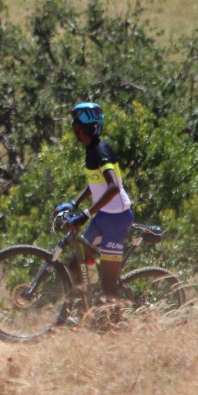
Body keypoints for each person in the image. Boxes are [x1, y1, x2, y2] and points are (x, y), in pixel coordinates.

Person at [58, 101, 134, 303]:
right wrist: (74, 204)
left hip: (117, 219)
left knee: (109, 286)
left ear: (78, 128)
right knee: (75, 264)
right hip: (103, 217)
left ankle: (113, 327)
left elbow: (113, 187)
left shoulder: (100, 151)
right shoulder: (91, 149)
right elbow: (95, 183)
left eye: (74, 124)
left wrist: (85, 213)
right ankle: (87, 311)